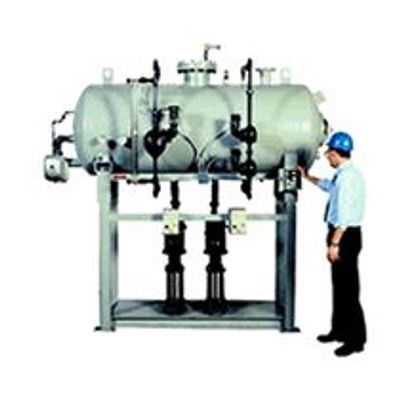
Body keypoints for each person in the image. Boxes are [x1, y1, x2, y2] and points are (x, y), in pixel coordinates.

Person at [299, 131, 367, 357]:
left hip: (345, 236)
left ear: (336, 153)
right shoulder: (344, 175)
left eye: (329, 152)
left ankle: (356, 340)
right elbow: (328, 186)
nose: (327, 156)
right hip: (342, 235)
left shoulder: (347, 178)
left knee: (348, 289)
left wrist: (335, 244)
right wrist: (307, 176)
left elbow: (344, 217)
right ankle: (339, 331)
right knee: (339, 287)